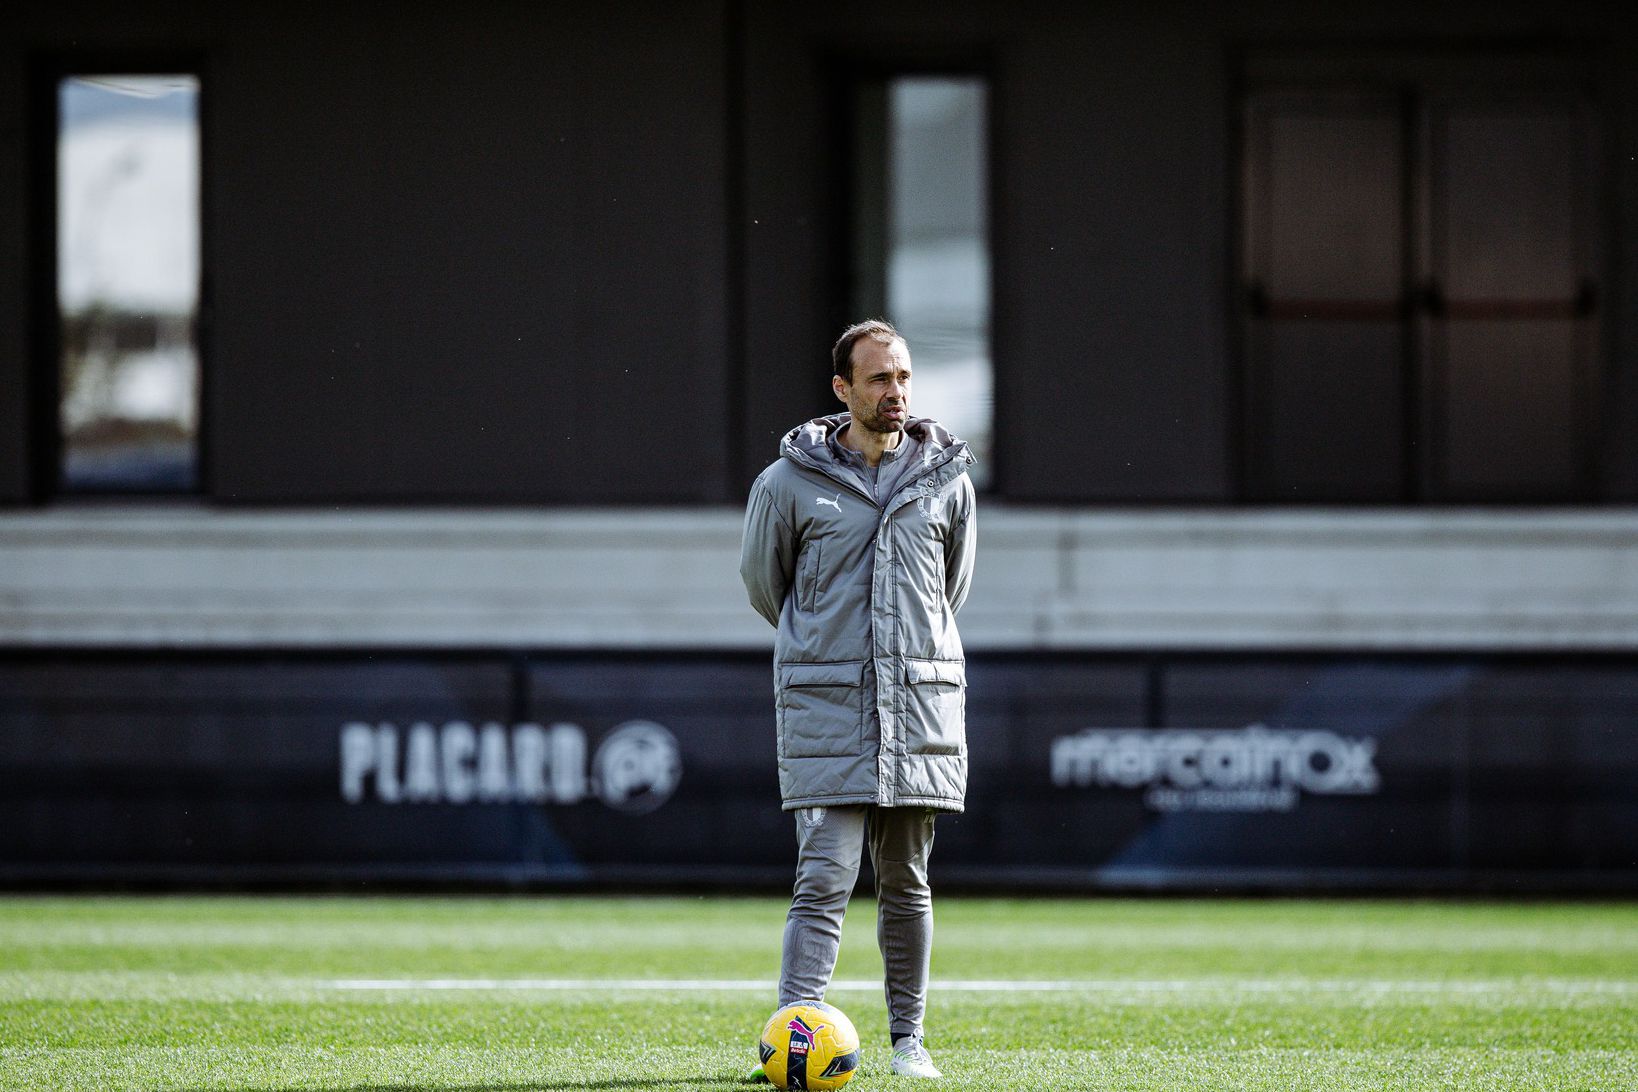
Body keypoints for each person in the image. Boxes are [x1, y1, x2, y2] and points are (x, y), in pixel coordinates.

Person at [739, 318, 977, 1081]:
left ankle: (910, 1041)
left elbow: (950, 593)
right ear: (843, 390)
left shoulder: (948, 480)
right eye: (879, 378)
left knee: (907, 883)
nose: (896, 391)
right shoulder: (786, 484)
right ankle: (789, 1040)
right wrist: (833, 652)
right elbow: (764, 588)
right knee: (823, 881)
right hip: (831, 709)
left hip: (919, 711)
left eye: (903, 376)